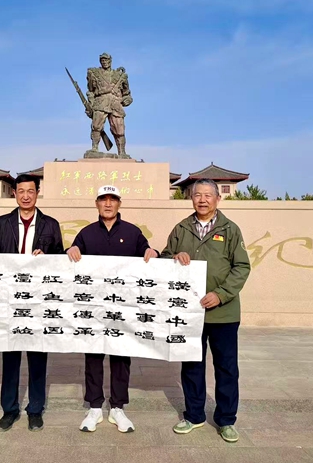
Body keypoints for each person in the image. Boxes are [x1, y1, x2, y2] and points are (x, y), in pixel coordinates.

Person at [160, 178, 251, 443]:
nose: (202, 200)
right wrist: (174, 258)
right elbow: (164, 258)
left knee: (226, 368)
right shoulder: (181, 228)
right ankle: (194, 415)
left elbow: (241, 267)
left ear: (217, 199)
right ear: (191, 198)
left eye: (208, 195)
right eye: (197, 195)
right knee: (191, 365)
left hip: (224, 313)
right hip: (189, 313)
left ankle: (226, 420)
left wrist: (220, 294)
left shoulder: (230, 230)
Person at [67, 185, 158, 433]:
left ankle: (118, 407)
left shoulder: (132, 232)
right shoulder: (86, 233)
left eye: (112, 200)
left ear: (119, 204)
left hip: (122, 309)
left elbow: (148, 253)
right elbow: (71, 260)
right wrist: (70, 250)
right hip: (94, 309)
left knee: (121, 357)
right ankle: (95, 406)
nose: (108, 204)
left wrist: (151, 252)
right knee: (93, 356)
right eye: (103, 199)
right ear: (96, 203)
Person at [0, 174, 64, 432]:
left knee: (37, 357)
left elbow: (60, 260)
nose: (25, 196)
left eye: (30, 191)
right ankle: (9, 410)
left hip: (39, 300)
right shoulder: (2, 223)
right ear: (14, 193)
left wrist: (47, 258)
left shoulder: (50, 224)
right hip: (10, 299)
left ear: (37, 193)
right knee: (10, 356)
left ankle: (35, 409)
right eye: (20, 191)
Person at [86, 52, 133, 157]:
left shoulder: (120, 76)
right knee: (96, 126)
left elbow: (126, 93)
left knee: (119, 129)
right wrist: (90, 105)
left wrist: (127, 100)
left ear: (110, 61)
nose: (104, 62)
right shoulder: (94, 73)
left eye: (106, 60)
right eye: (102, 60)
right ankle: (94, 148)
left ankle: (122, 152)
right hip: (100, 102)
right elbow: (90, 91)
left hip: (116, 104)